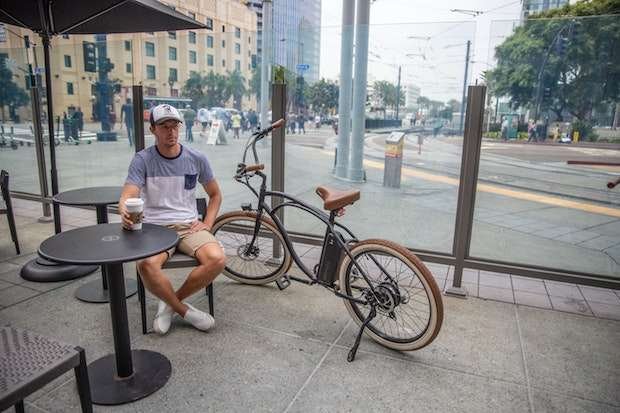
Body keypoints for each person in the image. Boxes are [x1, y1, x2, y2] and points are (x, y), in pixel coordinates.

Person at [118, 104, 225, 335]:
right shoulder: (143, 159)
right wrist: (123, 209)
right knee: (146, 265)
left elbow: (215, 195)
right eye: (164, 127)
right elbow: (128, 194)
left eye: (175, 126)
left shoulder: (197, 158)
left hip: (189, 225)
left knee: (217, 259)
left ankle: (169, 304)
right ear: (153, 129)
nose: (171, 132)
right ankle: (185, 311)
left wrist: (207, 223)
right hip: (154, 228)